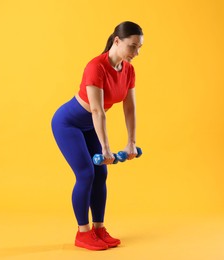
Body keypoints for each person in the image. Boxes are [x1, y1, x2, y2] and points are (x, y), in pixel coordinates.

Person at [51, 21, 143, 250]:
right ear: (117, 41)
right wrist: (105, 148)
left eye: (140, 47)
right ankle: (82, 233)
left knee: (101, 173)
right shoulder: (96, 66)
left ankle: (99, 229)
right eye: (133, 46)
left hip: (90, 125)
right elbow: (97, 110)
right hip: (68, 124)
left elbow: (129, 108)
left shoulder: (129, 70)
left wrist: (131, 142)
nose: (137, 53)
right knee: (86, 174)